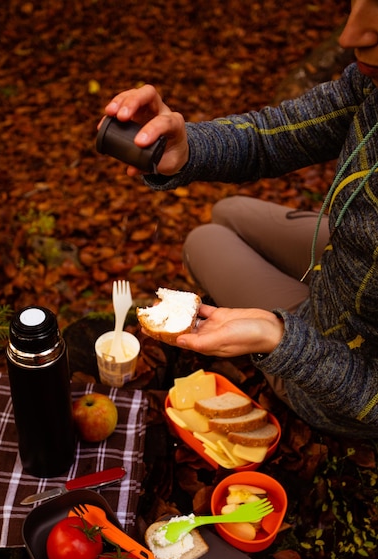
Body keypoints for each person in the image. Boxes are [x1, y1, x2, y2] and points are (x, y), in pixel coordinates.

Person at [102, 0, 378, 439]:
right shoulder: (373, 87)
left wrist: (282, 341)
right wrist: (188, 148)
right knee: (229, 210)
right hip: (346, 266)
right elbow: (280, 133)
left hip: (335, 365)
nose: (350, 36)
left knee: (204, 239)